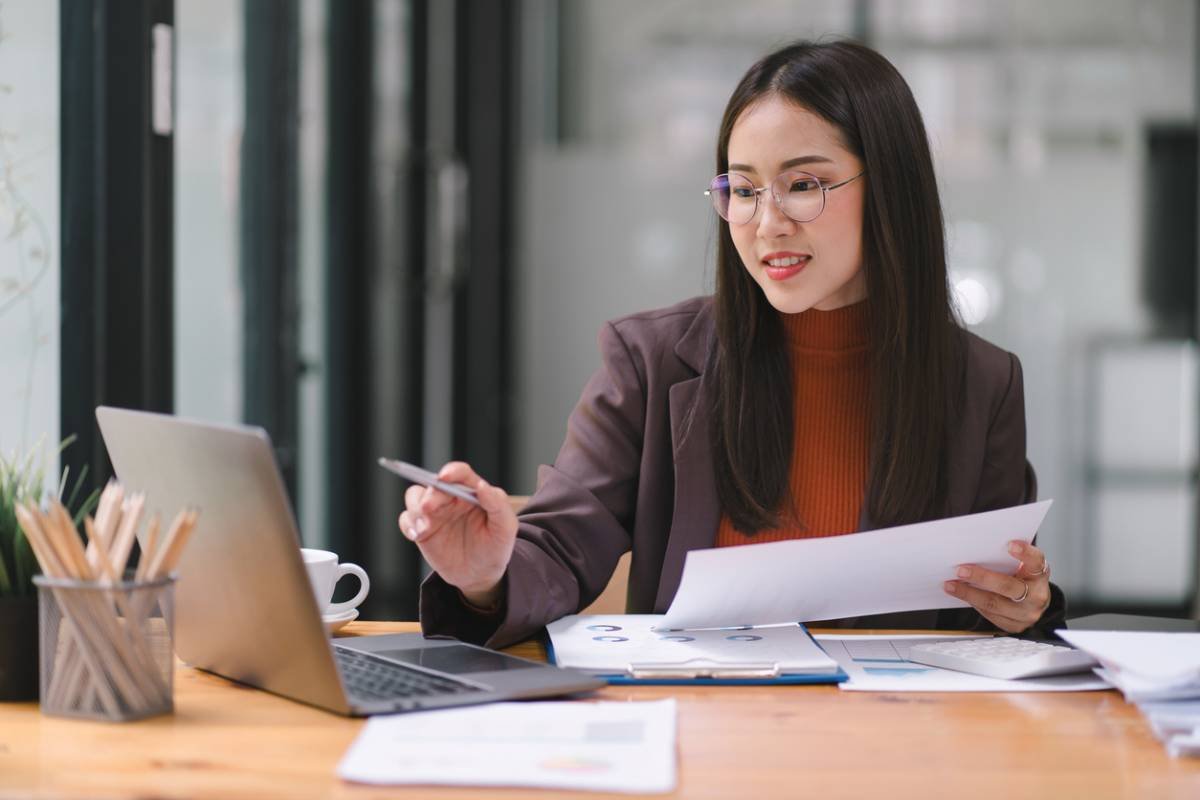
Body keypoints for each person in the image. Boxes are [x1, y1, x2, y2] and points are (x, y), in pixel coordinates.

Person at [400, 39, 1066, 649]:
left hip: (893, 748)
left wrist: (1023, 603)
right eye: (743, 189)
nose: (766, 222)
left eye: (803, 185)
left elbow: (988, 615)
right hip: (703, 739)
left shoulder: (982, 384)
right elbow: (563, 547)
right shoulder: (653, 363)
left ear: (889, 188)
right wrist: (486, 576)